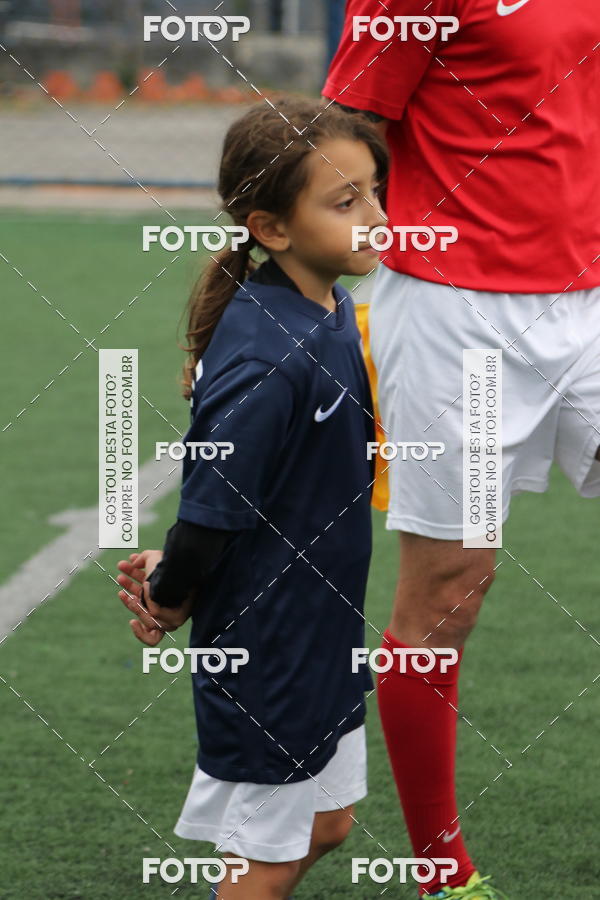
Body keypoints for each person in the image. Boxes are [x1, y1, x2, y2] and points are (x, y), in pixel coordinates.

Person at [322, 0, 599, 897]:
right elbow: (351, 129)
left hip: (590, 300)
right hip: (457, 315)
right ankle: (444, 874)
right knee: (450, 587)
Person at [116, 96, 388, 899]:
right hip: (272, 654)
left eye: (375, 189)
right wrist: (173, 592)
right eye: (345, 202)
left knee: (330, 823)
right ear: (271, 228)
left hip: (321, 630)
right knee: (263, 867)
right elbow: (209, 508)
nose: (375, 216)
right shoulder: (270, 361)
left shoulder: (329, 303)